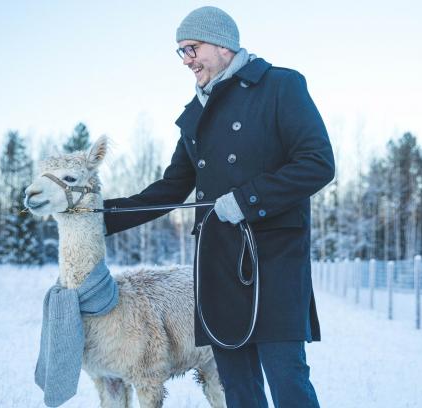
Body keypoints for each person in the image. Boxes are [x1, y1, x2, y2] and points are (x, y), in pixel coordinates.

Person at [104, 6, 334, 408]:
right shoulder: (195, 115)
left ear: (223, 44)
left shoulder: (280, 86)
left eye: (191, 48)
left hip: (273, 262)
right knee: (236, 385)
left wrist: (247, 200)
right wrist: (101, 216)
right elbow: (170, 189)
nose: (186, 60)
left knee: (287, 378)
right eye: (181, 52)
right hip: (217, 266)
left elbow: (317, 163)